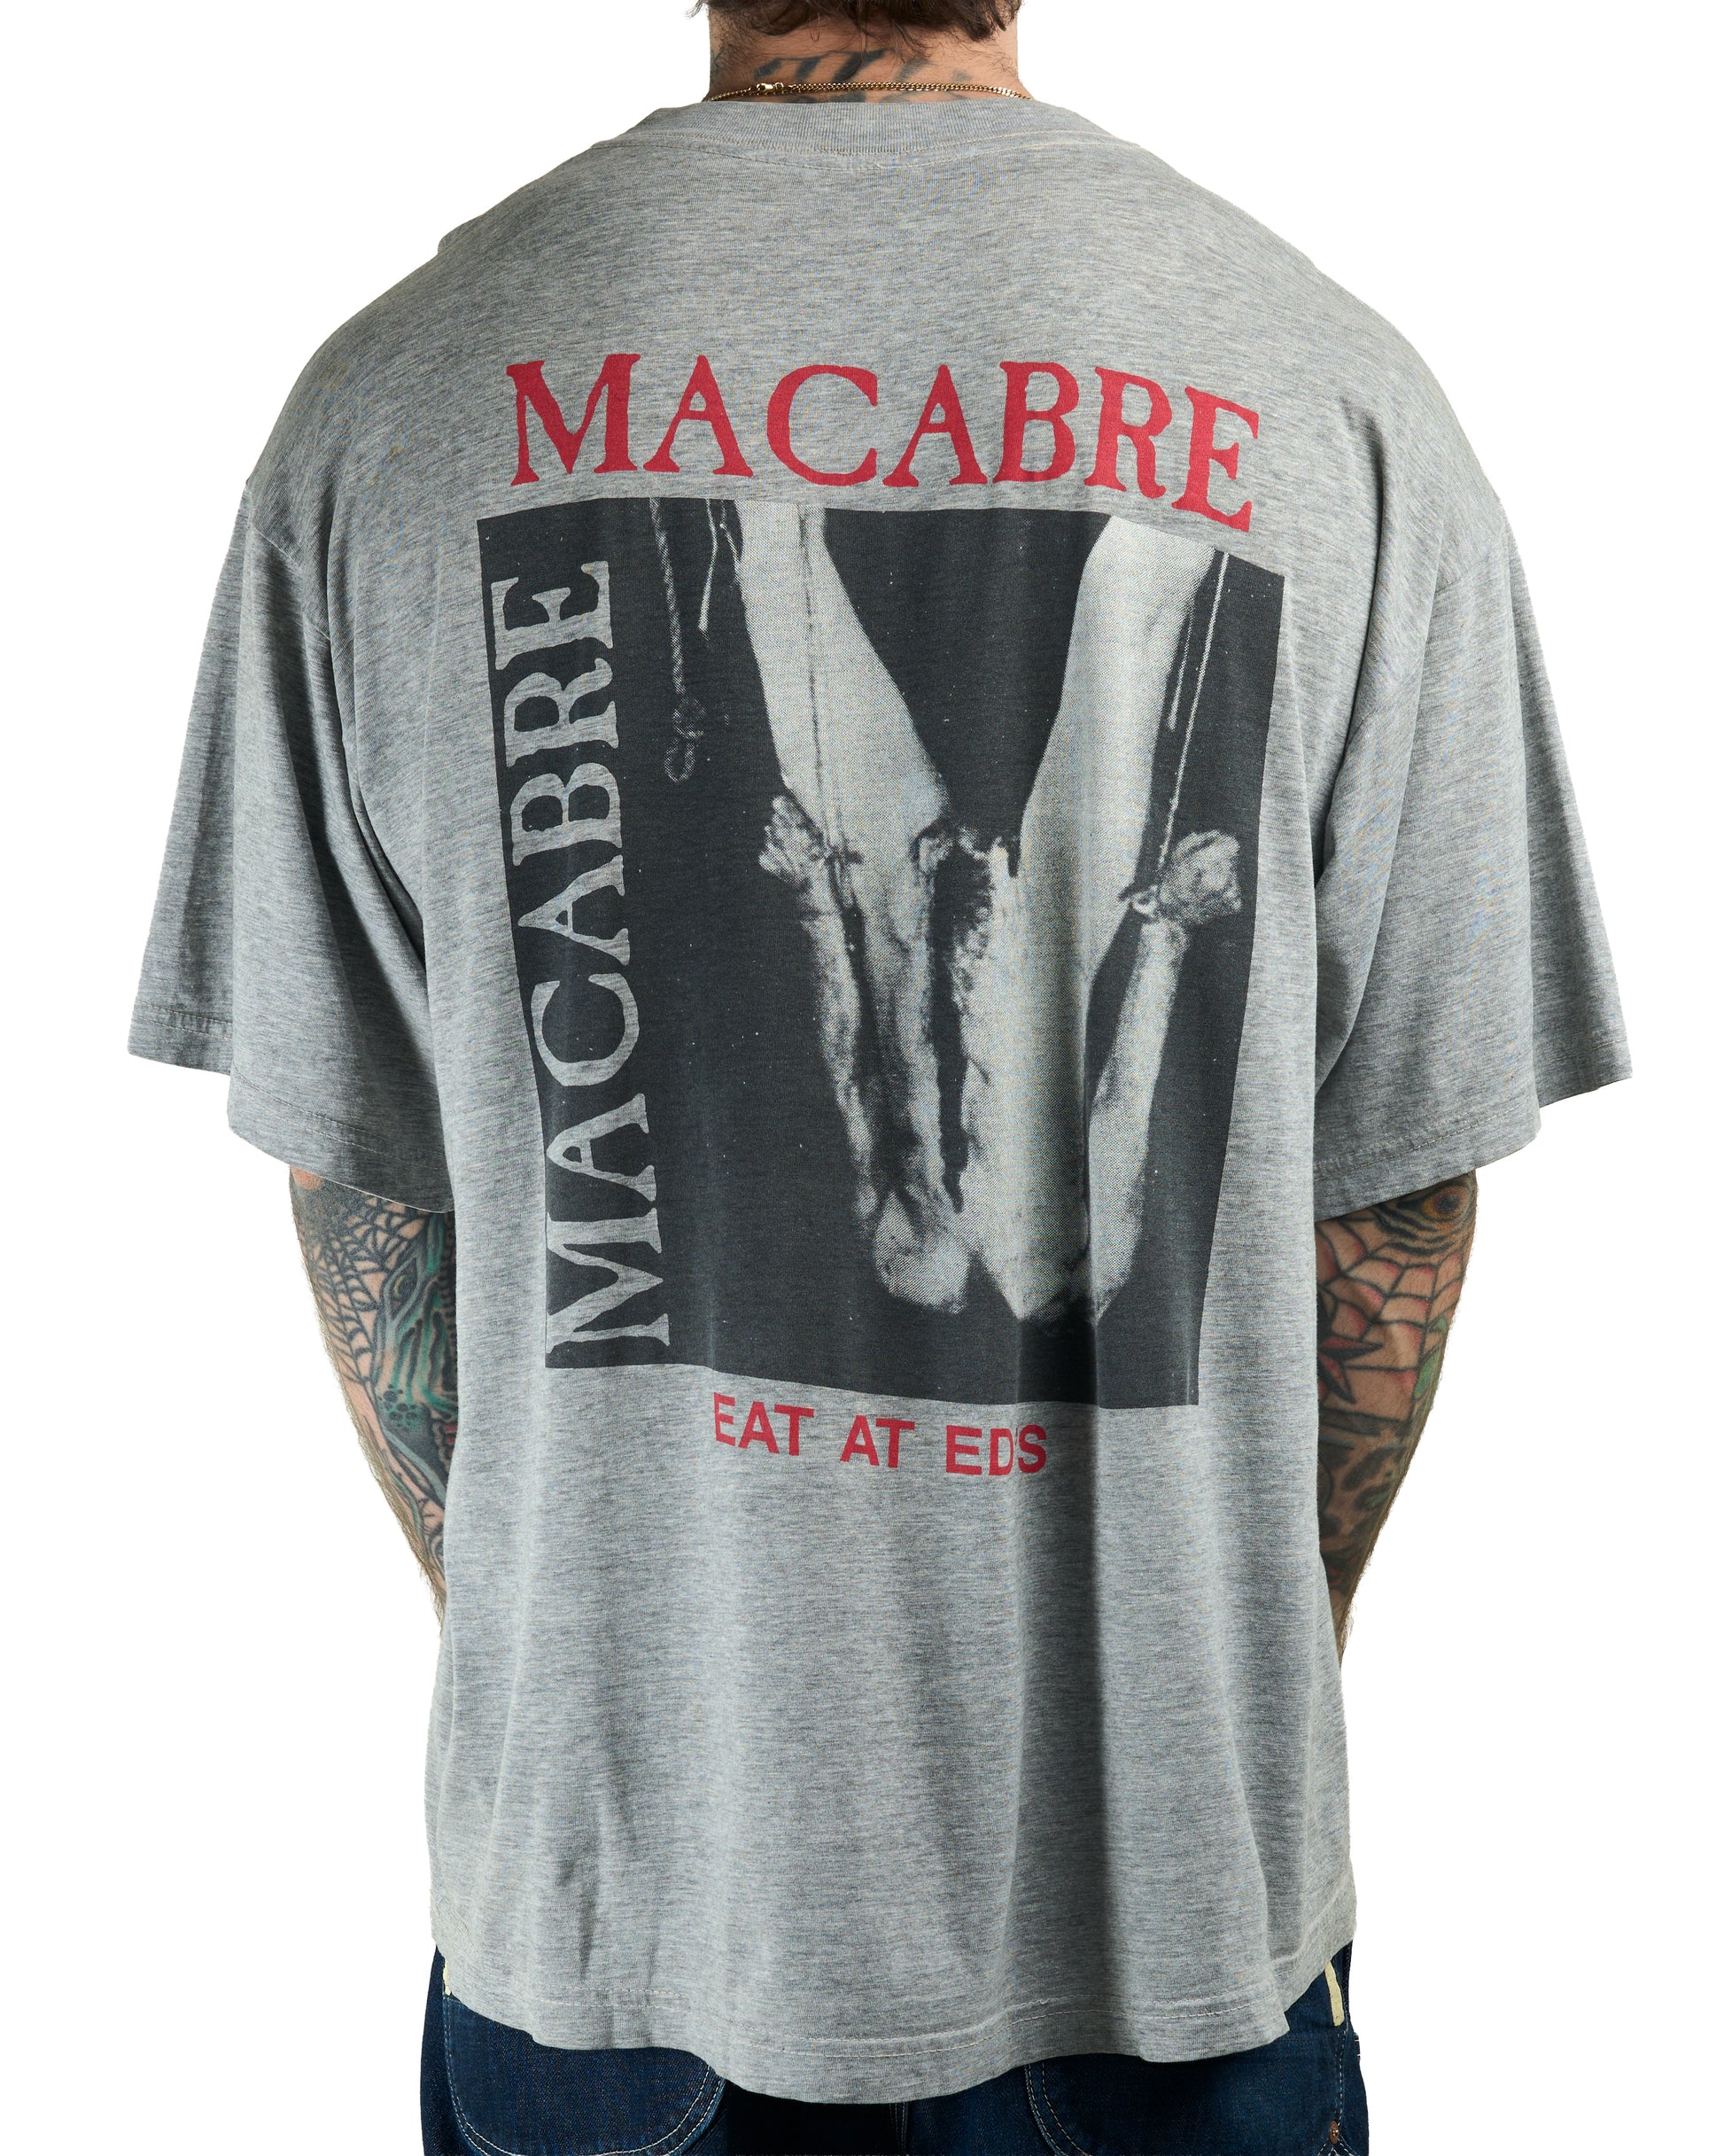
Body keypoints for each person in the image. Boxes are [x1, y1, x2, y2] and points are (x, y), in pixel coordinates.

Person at [129, 0, 1629, 2148]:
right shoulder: (1338, 398)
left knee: (924, 743)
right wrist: (1231, 1643)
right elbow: (1385, 1193)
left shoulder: (390, 409)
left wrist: (564, 1604)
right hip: (1159, 1910)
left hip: (612, 1891)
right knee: (1033, 717)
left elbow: (371, 1177)